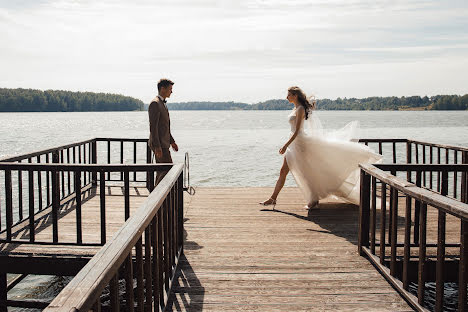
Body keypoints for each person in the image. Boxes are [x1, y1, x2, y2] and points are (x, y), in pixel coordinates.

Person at [260, 86, 382, 209]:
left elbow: (297, 131)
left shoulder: (301, 109)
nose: (286, 97)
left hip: (300, 143)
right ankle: (273, 198)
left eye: (288, 95)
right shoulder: (296, 108)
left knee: (306, 172)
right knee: (284, 171)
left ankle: (313, 199)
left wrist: (285, 145)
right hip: (294, 143)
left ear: (295, 95)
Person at [148, 78, 179, 185]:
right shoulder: (155, 103)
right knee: (167, 170)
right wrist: (157, 146)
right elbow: (153, 127)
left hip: (164, 143)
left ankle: (159, 198)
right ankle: (158, 198)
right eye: (170, 89)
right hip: (160, 144)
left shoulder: (162, 103)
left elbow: (164, 127)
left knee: (163, 171)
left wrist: (172, 141)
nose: (172, 91)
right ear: (162, 88)